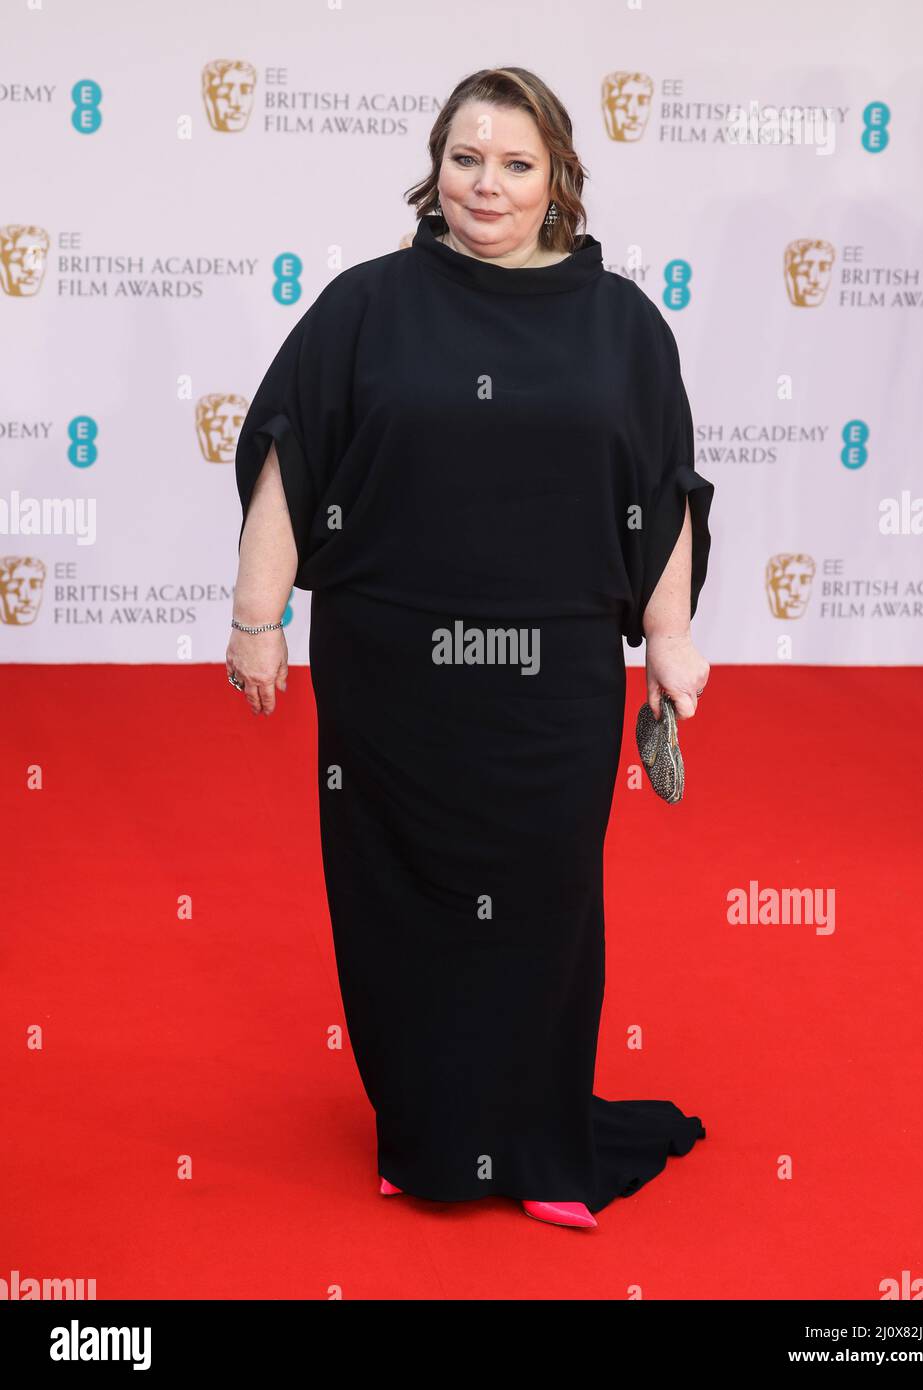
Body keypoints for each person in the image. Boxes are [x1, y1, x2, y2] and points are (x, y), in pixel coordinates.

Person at [227, 66, 715, 1229]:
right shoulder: (364, 306)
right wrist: (259, 617)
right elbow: (291, 461)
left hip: (550, 681)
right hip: (389, 672)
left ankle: (540, 1144)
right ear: (432, 168)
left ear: (557, 184)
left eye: (513, 164)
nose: (483, 185)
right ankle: (429, 1133)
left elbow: (663, 492)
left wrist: (672, 641)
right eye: (464, 159)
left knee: (545, 904)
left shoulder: (622, 324)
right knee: (400, 902)